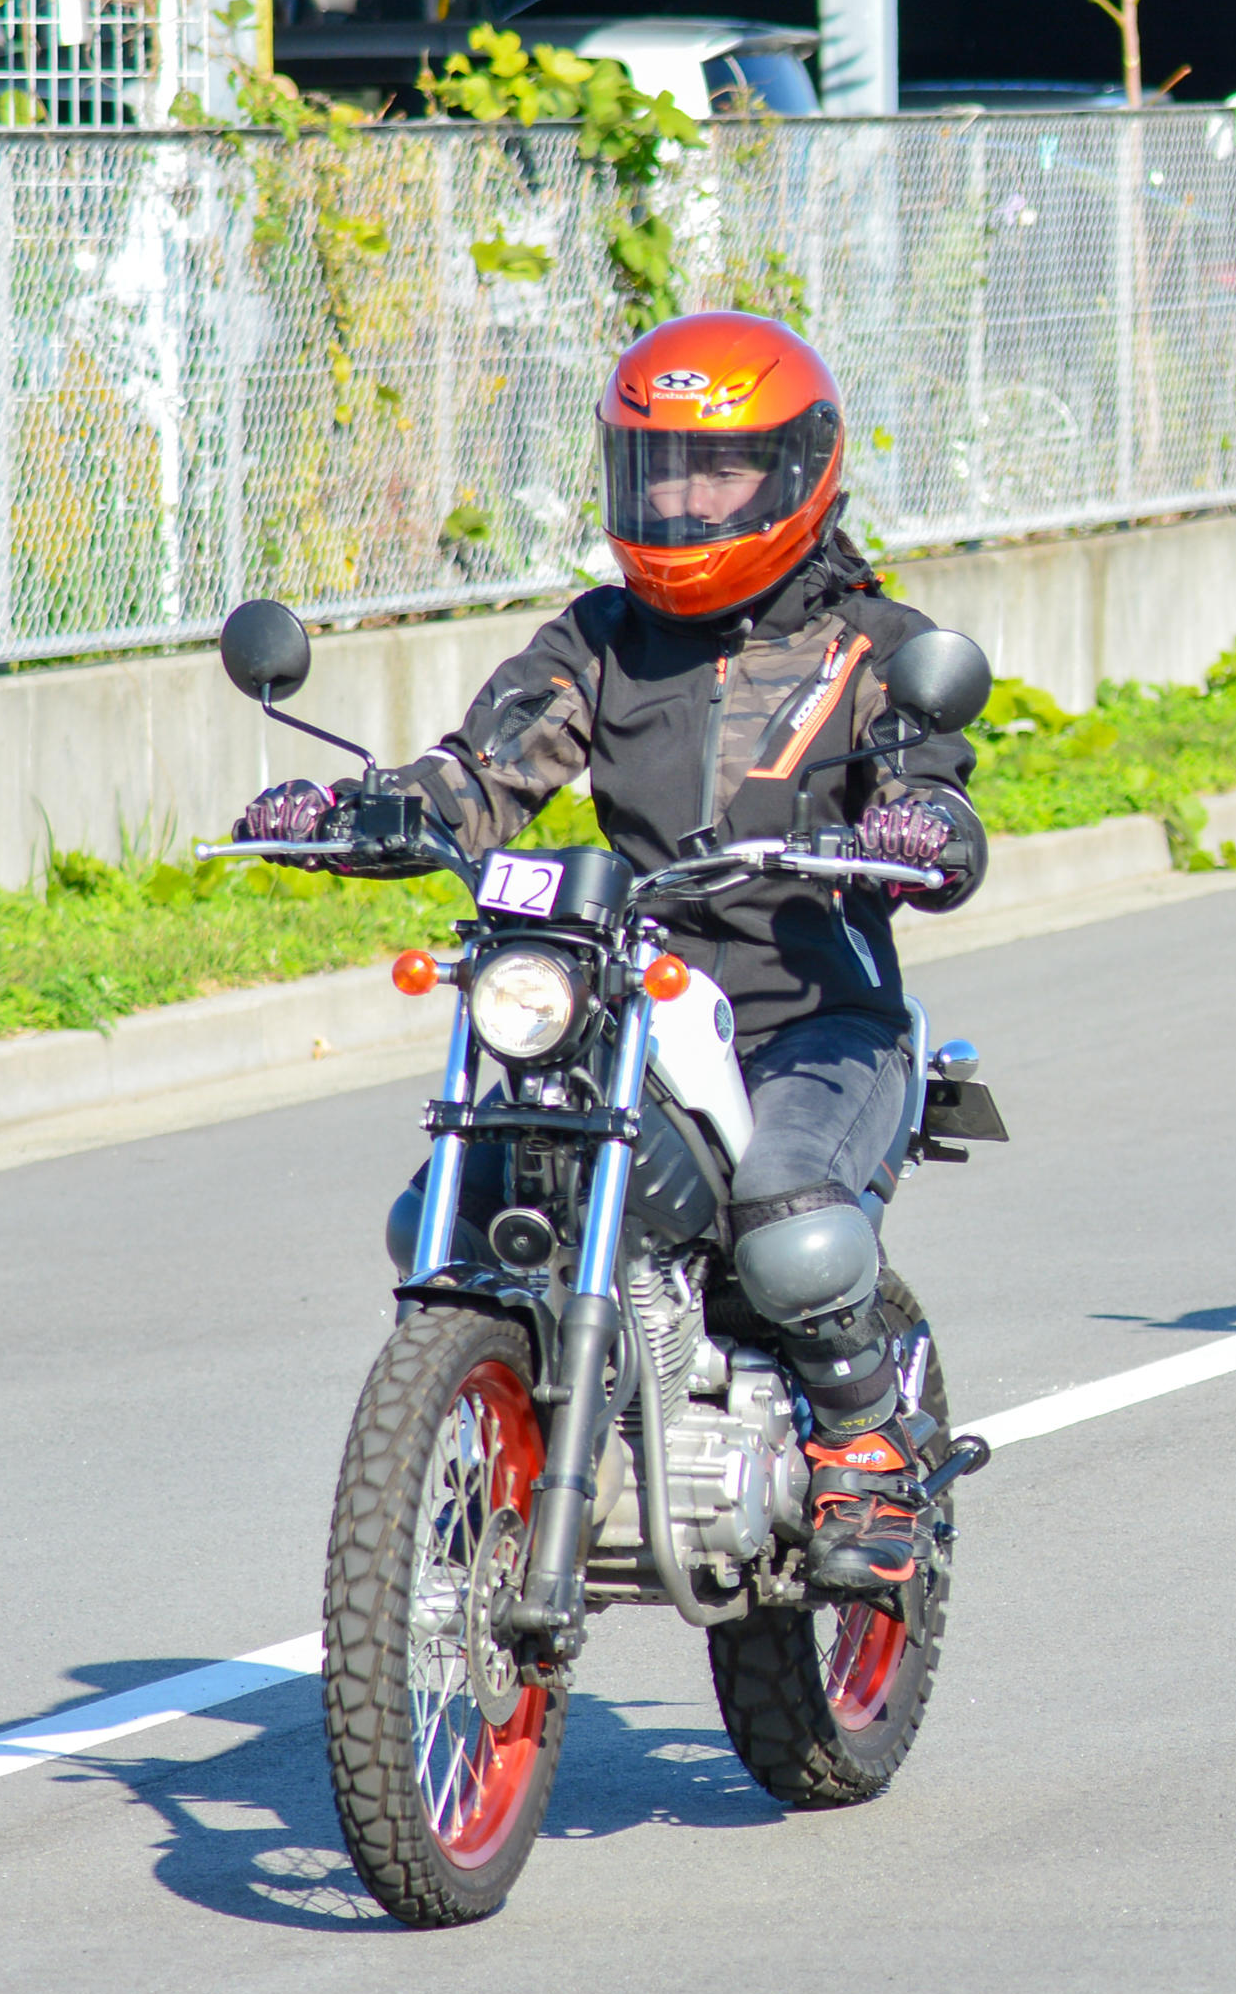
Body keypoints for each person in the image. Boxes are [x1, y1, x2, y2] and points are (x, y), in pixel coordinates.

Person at [232, 311, 988, 1594]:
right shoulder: (598, 637)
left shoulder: (874, 646)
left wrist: (917, 825)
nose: (685, 497)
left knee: (791, 1222)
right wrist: (371, 810)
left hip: (811, 1017)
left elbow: (939, 793)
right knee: (466, 1192)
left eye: (721, 466)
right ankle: (478, 1437)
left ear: (800, 469)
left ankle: (863, 1449)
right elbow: (485, 771)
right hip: (625, 998)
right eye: (659, 466)